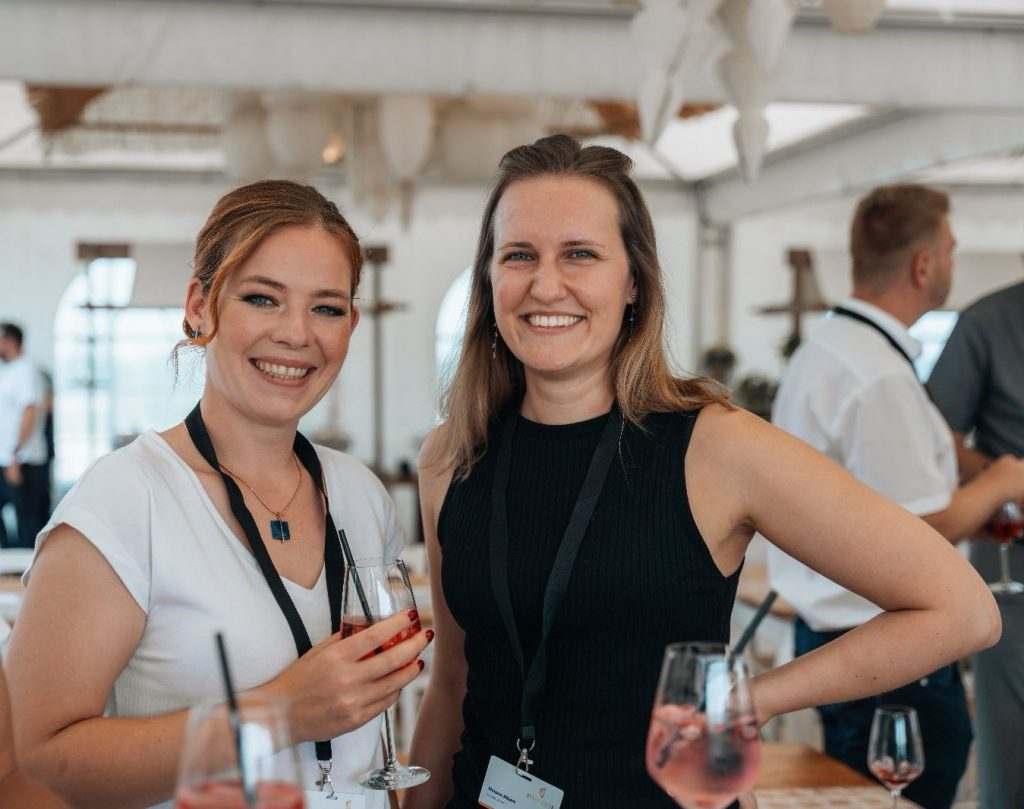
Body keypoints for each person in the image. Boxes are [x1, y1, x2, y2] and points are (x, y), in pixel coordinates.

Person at [405, 137, 1001, 809]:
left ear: (633, 281)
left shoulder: (715, 447)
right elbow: (452, 683)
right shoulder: (450, 456)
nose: (546, 284)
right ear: (490, 278)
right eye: (519, 255)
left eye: (580, 253)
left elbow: (962, 609)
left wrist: (753, 698)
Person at [5, 180, 431, 809]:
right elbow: (34, 765)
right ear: (200, 307)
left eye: (327, 307)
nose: (296, 334)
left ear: (351, 324)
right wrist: (281, 714)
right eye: (263, 298)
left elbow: (371, 745)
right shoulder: (127, 500)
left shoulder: (359, 495)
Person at [766, 185, 1024, 809]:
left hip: (839, 638)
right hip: (886, 659)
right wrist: (1003, 482)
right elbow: (920, 531)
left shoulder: (829, 351)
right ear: (925, 265)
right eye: (953, 251)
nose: (953, 264)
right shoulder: (876, 375)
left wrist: (979, 514)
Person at [927, 278, 1024, 809]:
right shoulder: (987, 321)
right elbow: (935, 435)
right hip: (1013, 565)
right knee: (1010, 751)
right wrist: (1002, 479)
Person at [0, 323, 50, 549]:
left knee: (27, 521)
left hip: (23, 460)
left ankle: (28, 578)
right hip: (8, 458)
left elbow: (29, 412)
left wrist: (15, 456)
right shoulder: (9, 370)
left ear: (10, 340)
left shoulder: (26, 370)